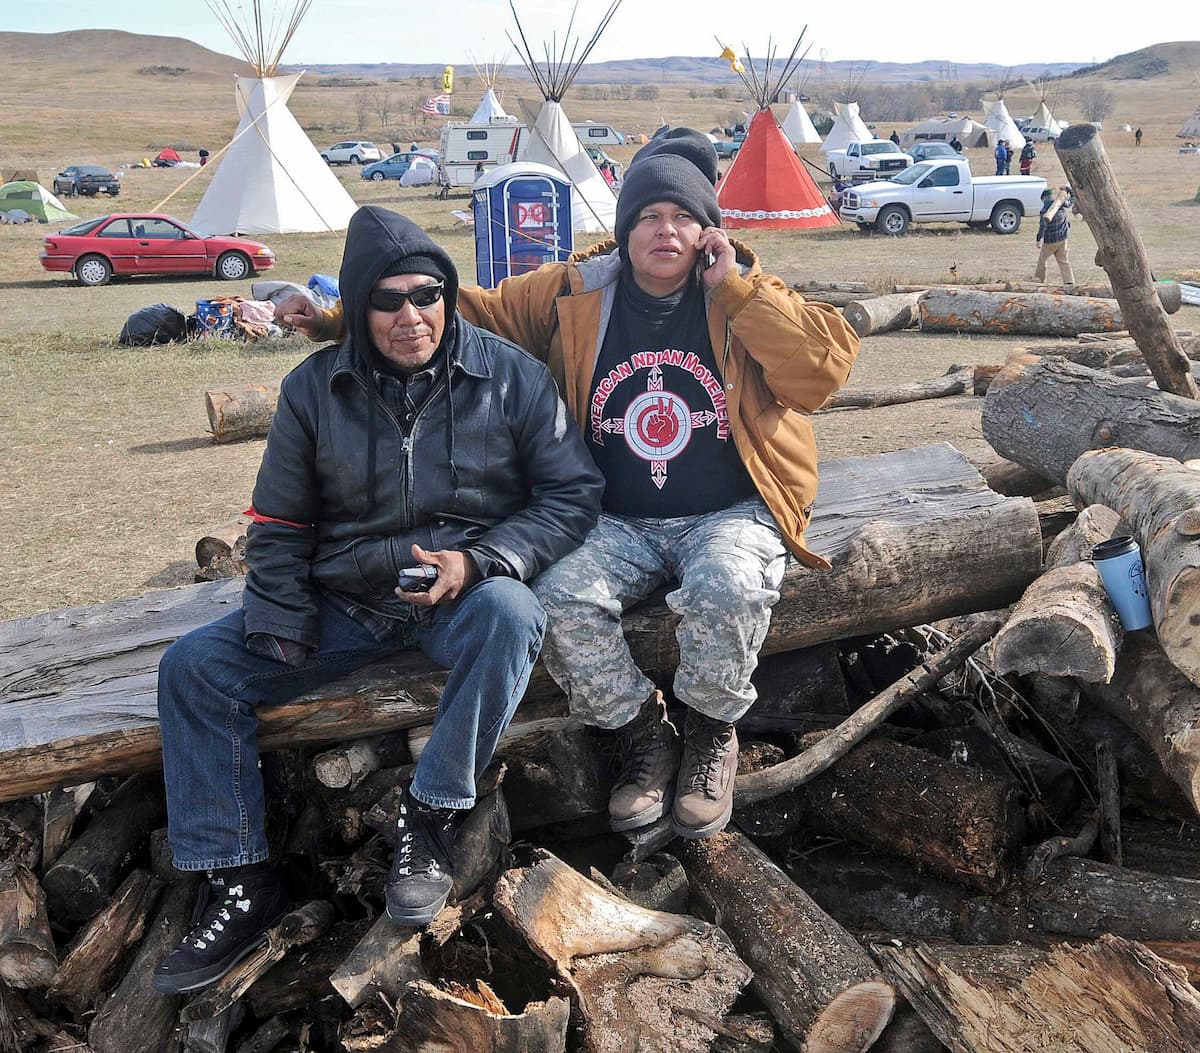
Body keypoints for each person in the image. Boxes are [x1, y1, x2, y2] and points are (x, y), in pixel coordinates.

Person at [279, 129, 861, 843]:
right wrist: (342, 318)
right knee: (555, 595)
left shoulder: (744, 291)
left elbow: (820, 376)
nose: (665, 231)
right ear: (624, 229)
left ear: (708, 230)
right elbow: (464, 313)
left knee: (726, 587)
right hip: (613, 516)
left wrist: (734, 287)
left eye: (683, 217)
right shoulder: (574, 292)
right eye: (648, 216)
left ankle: (711, 731)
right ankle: (643, 734)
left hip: (730, 509)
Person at [151, 206, 603, 995]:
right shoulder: (311, 390)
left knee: (512, 614)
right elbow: (282, 525)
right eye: (387, 300)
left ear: (448, 295)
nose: (410, 315)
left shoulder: (510, 375)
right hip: (349, 600)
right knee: (193, 668)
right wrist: (284, 629)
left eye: (427, 295)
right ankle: (238, 880)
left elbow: (573, 493)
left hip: (461, 595)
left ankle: (427, 817)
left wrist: (480, 558)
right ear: (358, 306)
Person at [1034, 187, 1075, 290]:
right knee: (1064, 260)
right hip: (1063, 238)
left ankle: (1039, 280)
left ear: (1044, 199)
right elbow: (1072, 201)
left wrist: (1039, 239)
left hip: (1050, 241)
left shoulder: (1044, 211)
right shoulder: (1061, 204)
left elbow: (1043, 226)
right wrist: (1070, 191)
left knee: (1042, 260)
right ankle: (1069, 282)